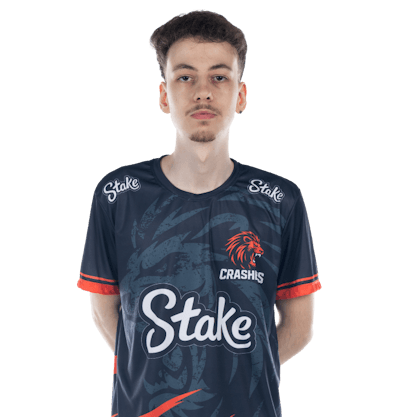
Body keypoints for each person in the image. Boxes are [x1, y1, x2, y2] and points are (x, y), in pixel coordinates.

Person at [77, 9, 321, 417]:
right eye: (185, 77)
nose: (203, 92)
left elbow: (299, 328)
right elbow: (107, 315)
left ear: (241, 95)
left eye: (219, 77)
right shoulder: (118, 195)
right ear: (164, 95)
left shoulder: (280, 199)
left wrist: (239, 374)